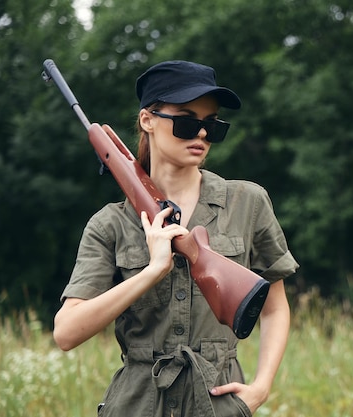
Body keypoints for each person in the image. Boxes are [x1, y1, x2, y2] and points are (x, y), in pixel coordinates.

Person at [53, 60, 299, 417]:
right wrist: (152, 270)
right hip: (137, 405)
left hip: (217, 401)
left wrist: (260, 389)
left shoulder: (248, 202)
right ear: (147, 120)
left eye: (211, 125)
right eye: (186, 121)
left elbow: (274, 308)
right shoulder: (110, 223)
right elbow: (66, 333)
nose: (201, 134)